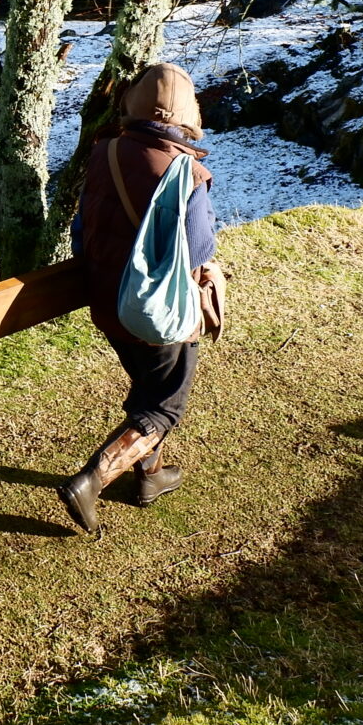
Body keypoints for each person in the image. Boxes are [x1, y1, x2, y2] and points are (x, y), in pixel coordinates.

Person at [60, 62, 219, 534]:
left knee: (148, 384)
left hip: (107, 299)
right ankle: (93, 479)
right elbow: (200, 249)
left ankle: (149, 475)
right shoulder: (185, 172)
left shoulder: (103, 151)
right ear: (187, 115)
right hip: (158, 311)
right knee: (165, 405)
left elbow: (81, 229)